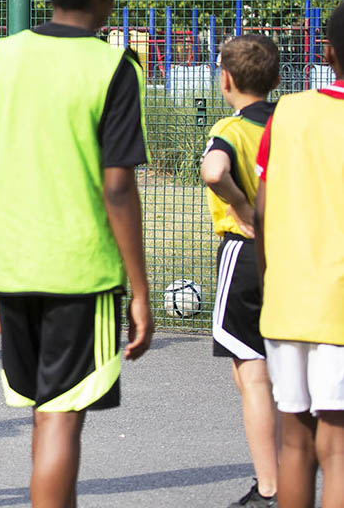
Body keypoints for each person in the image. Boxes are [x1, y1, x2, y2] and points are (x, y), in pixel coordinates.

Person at [0, 0, 154, 507]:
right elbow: (118, 187)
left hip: (13, 265)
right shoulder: (113, 67)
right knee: (61, 419)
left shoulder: (5, 55)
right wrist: (141, 290)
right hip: (82, 273)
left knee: (43, 414)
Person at [254, 0, 344, 508]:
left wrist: (271, 281)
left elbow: (264, 210)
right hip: (339, 305)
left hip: (288, 300)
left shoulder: (289, 111)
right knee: (339, 449)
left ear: (326, 52)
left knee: (296, 441)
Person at [200, 34, 279, 508]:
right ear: (274, 80)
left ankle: (270, 487)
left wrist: (242, 206)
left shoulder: (230, 128)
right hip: (292, 253)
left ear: (225, 79)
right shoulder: (291, 122)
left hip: (246, 251)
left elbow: (213, 171)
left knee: (252, 373)